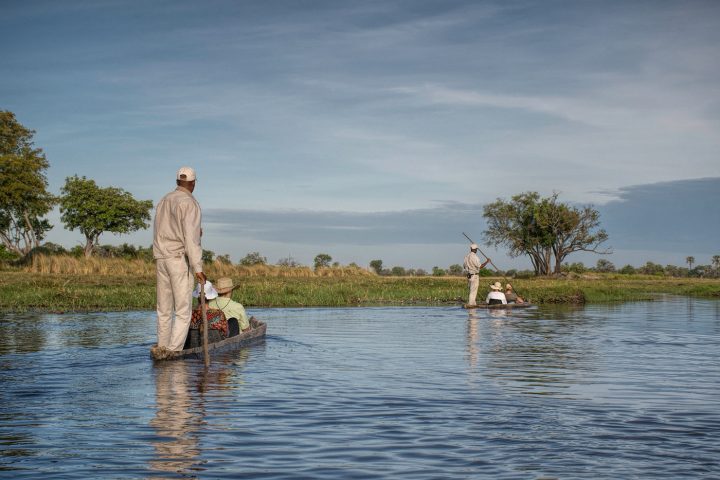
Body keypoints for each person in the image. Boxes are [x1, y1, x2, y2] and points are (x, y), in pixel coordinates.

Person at [153, 166, 206, 351]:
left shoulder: (164, 200)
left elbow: (163, 230)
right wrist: (198, 267)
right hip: (178, 260)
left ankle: (162, 347)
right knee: (183, 311)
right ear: (193, 184)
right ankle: (174, 351)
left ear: (177, 182)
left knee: (164, 309)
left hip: (161, 258)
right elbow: (191, 240)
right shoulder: (189, 203)